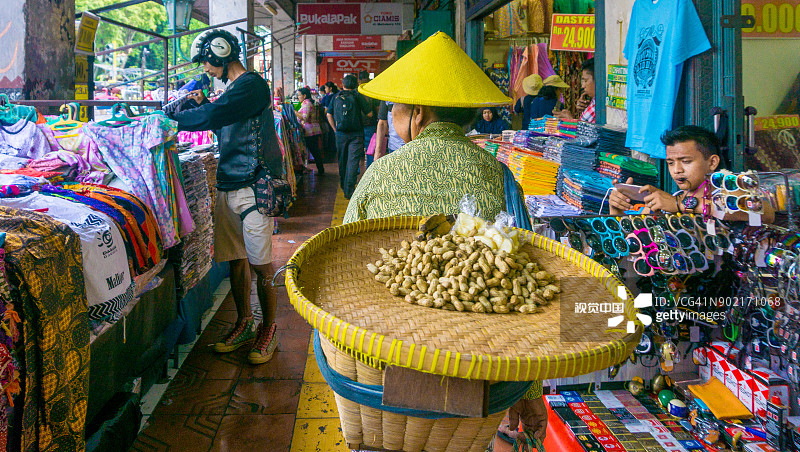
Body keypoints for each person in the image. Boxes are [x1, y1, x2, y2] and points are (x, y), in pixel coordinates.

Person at [345, 32, 547, 445]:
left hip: (386, 368)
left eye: (396, 110)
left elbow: (342, 264)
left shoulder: (380, 175)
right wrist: (528, 392)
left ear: (417, 114)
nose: (394, 118)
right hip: (477, 367)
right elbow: (527, 283)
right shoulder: (499, 176)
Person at [167, 29, 282, 365]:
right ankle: (245, 322)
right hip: (229, 183)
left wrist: (170, 117)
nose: (205, 68)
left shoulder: (252, 85)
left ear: (220, 52)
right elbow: (221, 118)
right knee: (236, 259)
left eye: (206, 60)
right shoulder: (231, 91)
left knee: (261, 266)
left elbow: (215, 117)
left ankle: (268, 328)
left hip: (254, 186)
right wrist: (204, 105)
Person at [608, 125, 775, 223]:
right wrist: (617, 212)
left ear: (712, 162)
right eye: (671, 163)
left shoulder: (728, 192)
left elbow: (766, 212)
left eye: (686, 161)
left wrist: (680, 205)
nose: (677, 170)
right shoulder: (675, 197)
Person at [327, 74, 373, 199]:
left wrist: (335, 129)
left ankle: (343, 185)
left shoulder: (336, 97)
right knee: (353, 161)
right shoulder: (357, 96)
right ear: (356, 85)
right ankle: (349, 189)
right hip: (356, 134)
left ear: (343, 85)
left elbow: (329, 114)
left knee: (342, 160)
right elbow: (369, 114)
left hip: (340, 134)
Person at [554, 57, 595, 123]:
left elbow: (590, 132)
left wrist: (571, 120)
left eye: (586, 80)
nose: (583, 86)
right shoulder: (594, 102)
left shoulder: (602, 108)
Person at [297, 87, 325, 175]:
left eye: (299, 95)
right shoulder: (307, 103)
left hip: (310, 132)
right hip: (312, 131)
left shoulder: (307, 104)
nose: (298, 97)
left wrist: (293, 112)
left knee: (314, 151)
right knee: (315, 151)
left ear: (304, 96)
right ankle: (320, 169)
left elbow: (304, 117)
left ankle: (321, 170)